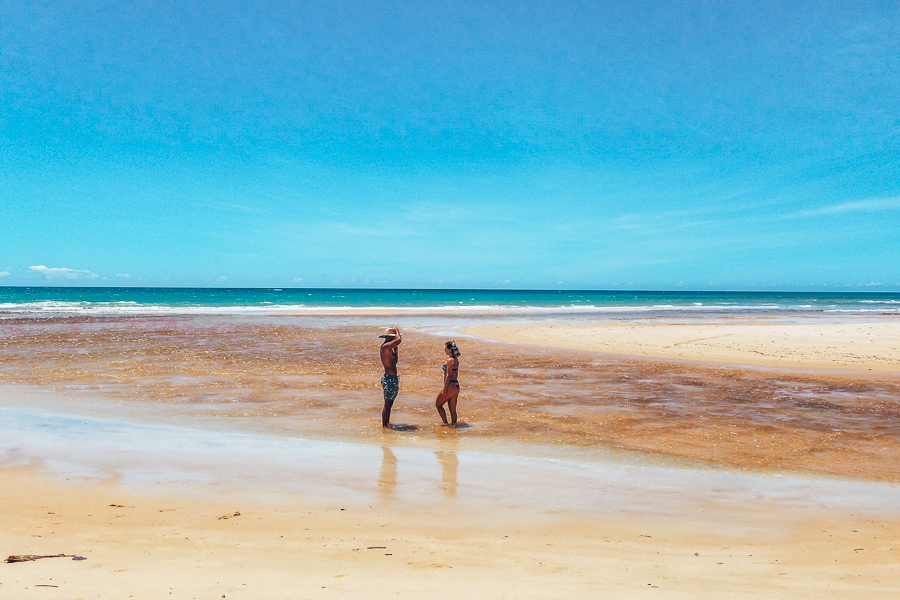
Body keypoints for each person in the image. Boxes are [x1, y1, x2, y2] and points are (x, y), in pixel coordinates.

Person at [378, 327, 402, 428]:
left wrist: (396, 351)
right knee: (387, 405)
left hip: (393, 378)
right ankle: (384, 426)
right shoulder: (384, 347)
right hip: (389, 379)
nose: (394, 340)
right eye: (392, 338)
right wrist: (397, 330)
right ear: (388, 338)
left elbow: (395, 362)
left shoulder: (390, 349)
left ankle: (386, 424)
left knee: (390, 404)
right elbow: (399, 340)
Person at [435, 340, 461, 426]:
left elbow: (448, 375)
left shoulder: (450, 360)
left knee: (438, 405)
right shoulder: (456, 359)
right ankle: (454, 426)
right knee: (453, 410)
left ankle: (445, 424)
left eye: (445, 348)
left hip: (450, 385)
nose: (444, 350)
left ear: (449, 349)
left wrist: (445, 388)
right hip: (456, 385)